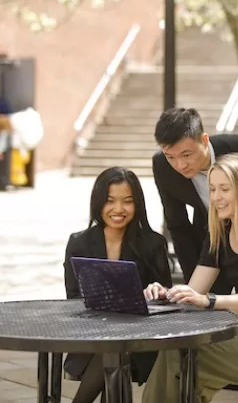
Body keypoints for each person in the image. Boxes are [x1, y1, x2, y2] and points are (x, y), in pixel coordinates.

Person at [143, 153, 238, 403]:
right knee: (176, 355)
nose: (216, 197)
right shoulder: (221, 230)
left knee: (186, 356)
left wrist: (210, 301)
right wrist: (168, 293)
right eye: (213, 189)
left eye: (224, 189)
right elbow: (194, 290)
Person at [152, 107, 238, 292]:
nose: (180, 165)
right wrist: (191, 289)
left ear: (204, 140)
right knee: (210, 309)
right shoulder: (162, 166)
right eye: (171, 157)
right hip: (211, 243)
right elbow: (179, 227)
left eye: (187, 155)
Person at [63, 166, 172, 403]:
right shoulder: (79, 242)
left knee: (115, 348)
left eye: (128, 202)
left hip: (139, 338)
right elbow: (72, 297)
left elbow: (166, 298)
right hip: (91, 334)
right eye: (110, 201)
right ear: (98, 202)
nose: (118, 210)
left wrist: (158, 291)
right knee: (110, 350)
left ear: (138, 205)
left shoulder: (153, 244)